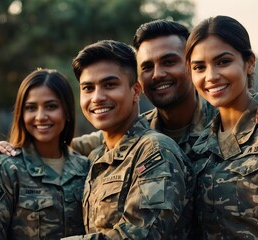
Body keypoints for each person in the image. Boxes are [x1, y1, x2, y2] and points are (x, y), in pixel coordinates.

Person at [0, 19, 258, 164]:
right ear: (138, 81)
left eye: (170, 62)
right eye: (147, 66)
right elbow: (62, 148)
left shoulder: (253, 120)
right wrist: (9, 150)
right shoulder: (135, 131)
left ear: (188, 65)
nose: (158, 74)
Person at [63, 40, 193, 239]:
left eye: (110, 85)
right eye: (88, 88)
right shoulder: (97, 155)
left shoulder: (155, 151)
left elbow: (141, 234)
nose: (97, 97)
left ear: (136, 91)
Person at [185, 15, 258, 238]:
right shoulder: (198, 149)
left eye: (223, 62)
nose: (211, 76)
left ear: (249, 63)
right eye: (199, 67)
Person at [0, 69, 90, 239]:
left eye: (51, 106)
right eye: (31, 108)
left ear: (67, 111)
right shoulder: (3, 170)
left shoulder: (85, 168)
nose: (40, 117)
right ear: (21, 114)